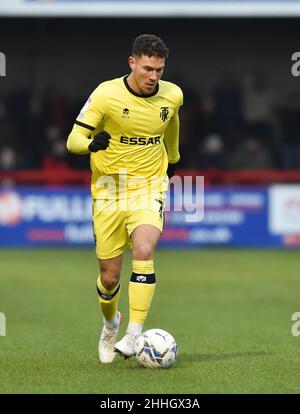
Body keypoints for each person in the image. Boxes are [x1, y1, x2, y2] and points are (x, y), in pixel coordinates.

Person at [66, 34, 183, 364]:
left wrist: (172, 158)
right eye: (148, 68)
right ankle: (110, 324)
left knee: (145, 249)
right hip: (109, 192)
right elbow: (73, 138)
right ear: (132, 62)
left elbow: (171, 124)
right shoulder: (106, 94)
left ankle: (133, 335)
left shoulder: (172, 95)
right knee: (110, 277)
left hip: (149, 187)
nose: (153, 76)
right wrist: (91, 145)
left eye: (159, 70)